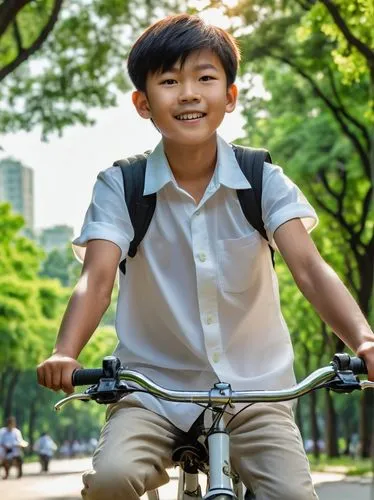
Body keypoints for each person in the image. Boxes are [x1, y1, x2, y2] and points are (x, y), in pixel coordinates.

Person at [37, 13, 374, 500]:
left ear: (230, 96)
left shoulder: (263, 181)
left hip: (257, 395)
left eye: (205, 78)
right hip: (151, 394)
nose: (189, 93)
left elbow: (311, 270)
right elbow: (97, 278)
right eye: (169, 81)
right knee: (111, 480)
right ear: (143, 102)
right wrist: (66, 351)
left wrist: (364, 340)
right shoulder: (121, 186)